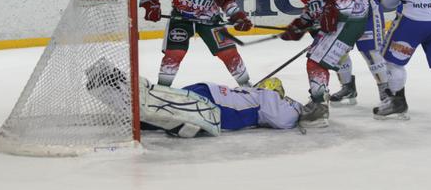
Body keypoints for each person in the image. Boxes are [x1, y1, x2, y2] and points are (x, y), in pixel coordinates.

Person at [85, 58, 302, 137]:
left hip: (207, 96)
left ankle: (111, 83)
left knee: (154, 111)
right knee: (154, 108)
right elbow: (283, 119)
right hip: (209, 107)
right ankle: (114, 80)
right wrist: (303, 110)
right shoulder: (265, 97)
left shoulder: (253, 95)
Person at [279, 0, 369, 128]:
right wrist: (299, 25)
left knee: (315, 61)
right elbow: (313, 10)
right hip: (344, 21)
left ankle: (319, 108)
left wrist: (336, 12)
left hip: (350, 19)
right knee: (315, 58)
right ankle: (319, 102)